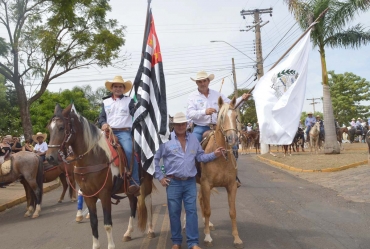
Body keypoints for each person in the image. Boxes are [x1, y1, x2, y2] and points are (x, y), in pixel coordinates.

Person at [154, 112, 224, 249]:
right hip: (173, 182)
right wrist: (160, 177)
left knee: (191, 211)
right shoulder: (165, 140)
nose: (180, 126)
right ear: (173, 125)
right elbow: (155, 160)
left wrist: (214, 155)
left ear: (186, 125)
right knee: (174, 212)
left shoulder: (193, 139)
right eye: (178, 124)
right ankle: (176, 241)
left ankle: (193, 243)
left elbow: (200, 157)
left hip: (190, 182)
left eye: (183, 124)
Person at [98, 75, 140, 195]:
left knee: (129, 151)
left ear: (123, 88)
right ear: (112, 88)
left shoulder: (130, 100)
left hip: (123, 132)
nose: (118, 88)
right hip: (107, 132)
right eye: (115, 86)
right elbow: (102, 117)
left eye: (120, 86)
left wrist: (136, 107)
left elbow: (134, 112)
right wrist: (103, 123)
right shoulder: (105, 101)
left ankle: (134, 182)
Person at [187, 71, 251, 142]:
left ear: (208, 81)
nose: (202, 83)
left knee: (233, 144)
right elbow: (190, 114)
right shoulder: (192, 97)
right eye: (200, 82)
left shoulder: (217, 94)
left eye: (204, 81)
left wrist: (242, 98)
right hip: (200, 127)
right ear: (196, 83)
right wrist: (205, 112)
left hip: (218, 127)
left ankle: (234, 152)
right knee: (192, 145)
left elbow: (230, 105)